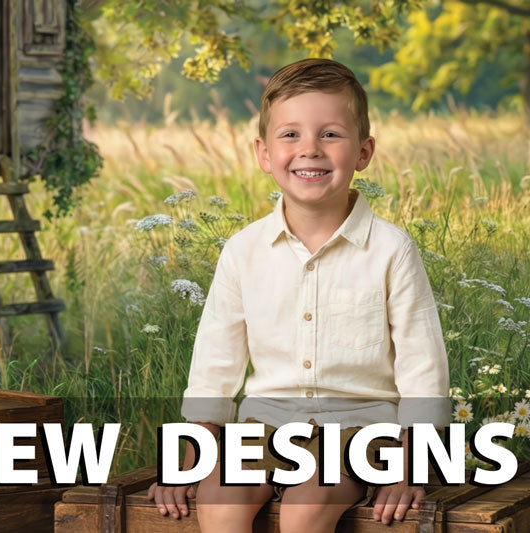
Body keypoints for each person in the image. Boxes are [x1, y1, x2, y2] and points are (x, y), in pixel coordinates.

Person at [148, 57, 450, 533]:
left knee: (306, 509)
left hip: (361, 431)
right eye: (290, 135)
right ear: (264, 154)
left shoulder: (391, 249)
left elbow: (422, 368)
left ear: (364, 151)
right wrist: (190, 458)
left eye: (330, 134)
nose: (310, 149)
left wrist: (411, 465)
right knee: (219, 499)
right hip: (263, 428)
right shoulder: (243, 250)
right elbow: (215, 365)